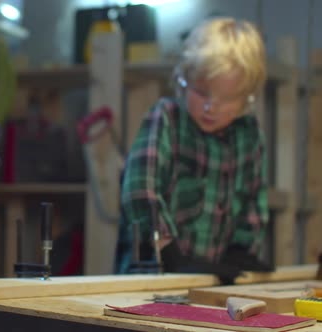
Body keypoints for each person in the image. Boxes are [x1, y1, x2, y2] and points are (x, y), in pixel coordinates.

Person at [114, 17, 274, 285]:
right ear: (183, 79)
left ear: (247, 97)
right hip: (149, 279)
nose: (211, 107)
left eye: (226, 99)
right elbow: (141, 191)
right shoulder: (166, 119)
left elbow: (254, 202)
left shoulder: (249, 135)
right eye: (202, 93)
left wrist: (240, 250)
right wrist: (168, 251)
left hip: (210, 281)